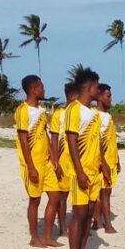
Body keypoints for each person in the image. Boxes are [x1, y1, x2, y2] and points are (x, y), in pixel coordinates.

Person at [61, 69, 110, 249]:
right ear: (89, 87)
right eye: (97, 87)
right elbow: (72, 141)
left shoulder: (94, 114)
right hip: (80, 172)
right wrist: (79, 171)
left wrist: (104, 164)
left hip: (94, 171)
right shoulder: (74, 110)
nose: (99, 90)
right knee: (79, 214)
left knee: (89, 214)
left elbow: (96, 141)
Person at [15, 75, 63, 248]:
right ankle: (34, 237)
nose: (44, 89)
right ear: (33, 89)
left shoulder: (42, 112)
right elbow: (23, 139)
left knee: (55, 197)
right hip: (32, 163)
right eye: (42, 86)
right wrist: (30, 167)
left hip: (47, 162)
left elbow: (46, 135)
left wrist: (54, 158)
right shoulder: (22, 111)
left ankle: (48, 236)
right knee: (35, 200)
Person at [46, 82, 77, 238]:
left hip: (79, 160)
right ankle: (63, 227)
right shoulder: (59, 114)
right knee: (63, 196)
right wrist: (55, 161)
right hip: (64, 160)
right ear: (72, 96)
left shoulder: (82, 113)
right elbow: (54, 139)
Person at [93, 83, 120, 234]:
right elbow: (98, 141)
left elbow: (110, 140)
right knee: (105, 192)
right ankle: (107, 224)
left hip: (111, 159)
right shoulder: (96, 116)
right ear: (99, 97)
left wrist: (117, 159)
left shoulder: (107, 116)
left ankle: (97, 220)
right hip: (102, 161)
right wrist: (103, 162)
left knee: (102, 191)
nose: (110, 99)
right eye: (108, 96)